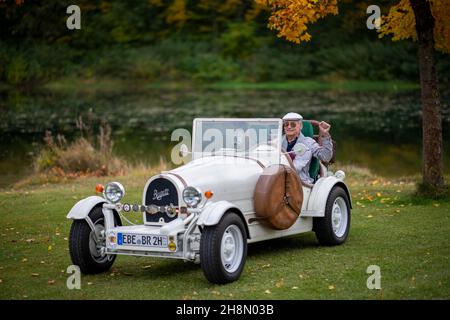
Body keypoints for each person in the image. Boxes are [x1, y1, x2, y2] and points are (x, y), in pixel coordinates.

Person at [281, 112, 333, 184]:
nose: (289, 127)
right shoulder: (277, 141)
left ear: (300, 126)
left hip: (300, 182)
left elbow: (325, 157)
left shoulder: (308, 142)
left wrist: (325, 134)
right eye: (286, 124)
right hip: (278, 178)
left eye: (293, 124)